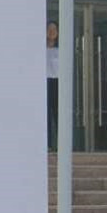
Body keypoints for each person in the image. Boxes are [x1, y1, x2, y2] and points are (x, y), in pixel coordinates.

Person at [45, 21, 60, 150]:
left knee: (58, 113)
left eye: (54, 29)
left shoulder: (61, 49)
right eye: (49, 29)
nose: (51, 32)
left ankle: (61, 144)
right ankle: (48, 144)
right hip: (44, 82)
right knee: (46, 115)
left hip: (57, 83)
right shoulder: (41, 49)